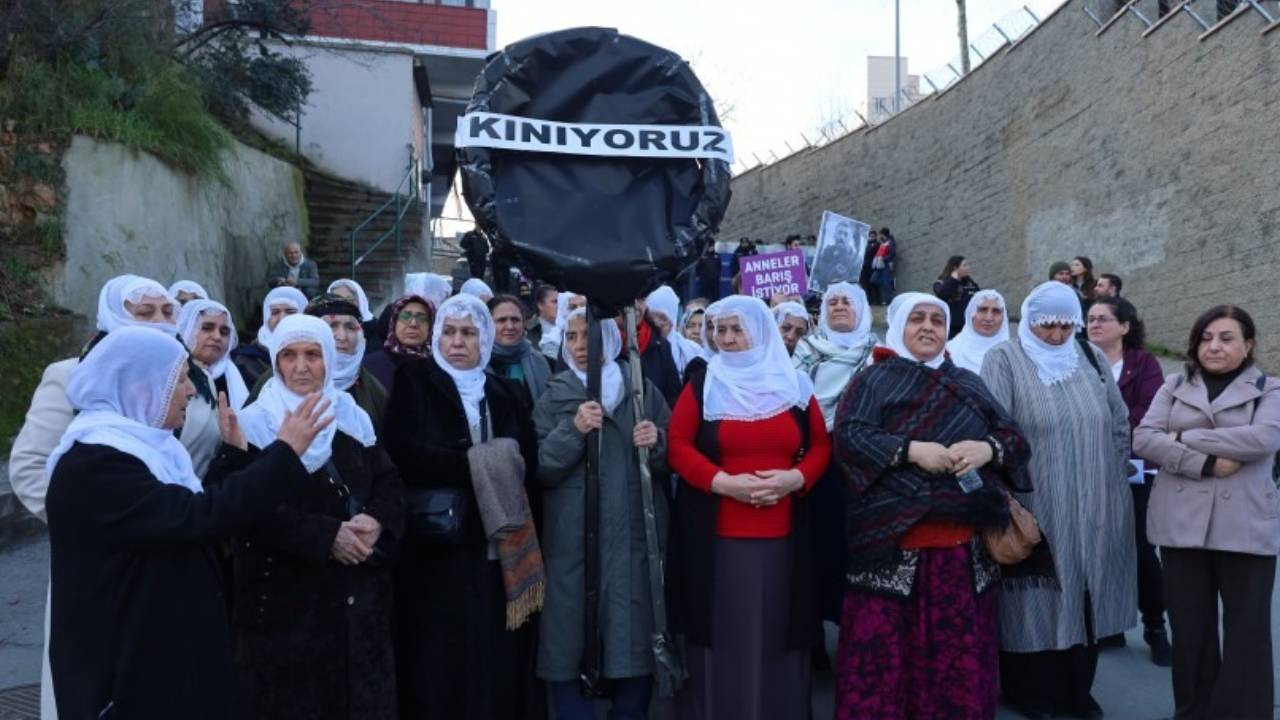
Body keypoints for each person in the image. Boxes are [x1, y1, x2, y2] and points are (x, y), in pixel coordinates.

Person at [44, 326, 330, 720]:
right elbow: (194, 519)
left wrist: (233, 457)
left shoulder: (145, 448)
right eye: (179, 380)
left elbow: (192, 510)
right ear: (141, 386)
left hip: (168, 660)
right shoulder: (95, 463)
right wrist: (284, 454)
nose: (191, 390)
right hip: (130, 678)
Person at [832, 293, 1039, 720]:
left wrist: (987, 449)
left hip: (963, 558)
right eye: (917, 319)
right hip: (893, 552)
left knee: (954, 668)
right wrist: (911, 450)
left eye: (937, 320)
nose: (927, 327)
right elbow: (850, 437)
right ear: (898, 326)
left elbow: (1016, 440)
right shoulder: (873, 381)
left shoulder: (967, 382)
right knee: (886, 669)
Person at [9, 274, 179, 719]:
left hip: (174, 551)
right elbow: (28, 467)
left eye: (167, 312)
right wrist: (96, 522)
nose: (158, 322)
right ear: (112, 317)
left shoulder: (184, 375)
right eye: (143, 312)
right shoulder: (70, 375)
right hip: (99, 564)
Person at [228, 314, 403, 720]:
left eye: (313, 355)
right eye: (289, 355)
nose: (302, 366)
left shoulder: (351, 415)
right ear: (275, 362)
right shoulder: (253, 423)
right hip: (286, 611)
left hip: (357, 606)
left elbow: (388, 480)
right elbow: (248, 510)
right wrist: (326, 537)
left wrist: (377, 520)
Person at [667, 295, 830, 719]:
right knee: (727, 635)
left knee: (779, 632)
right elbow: (678, 445)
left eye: (737, 329)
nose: (727, 339)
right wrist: (723, 483)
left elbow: (820, 446)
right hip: (719, 539)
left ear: (759, 332)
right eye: (720, 330)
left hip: (784, 537)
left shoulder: (794, 384)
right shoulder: (703, 385)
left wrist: (794, 479)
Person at [383, 294, 544, 720]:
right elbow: (402, 451)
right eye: (450, 332)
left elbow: (525, 454)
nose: (458, 342)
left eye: (469, 333)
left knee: (492, 648)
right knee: (440, 655)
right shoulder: (415, 381)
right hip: (437, 548)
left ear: (484, 339)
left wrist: (486, 460)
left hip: (496, 547)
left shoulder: (504, 391)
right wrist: (475, 462)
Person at [980, 281, 1135, 719]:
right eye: (1046, 325)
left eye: (1065, 325)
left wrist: (1111, 474)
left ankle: (1078, 690)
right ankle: (1033, 693)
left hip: (1094, 502)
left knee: (1087, 589)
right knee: (1036, 593)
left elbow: (1118, 421)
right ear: (1029, 321)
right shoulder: (1004, 359)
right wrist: (1006, 498)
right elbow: (994, 428)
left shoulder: (1089, 357)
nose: (1055, 335)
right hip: (1037, 502)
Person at [1133, 305, 1280, 719]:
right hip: (1180, 524)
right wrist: (1206, 461)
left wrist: (1183, 435)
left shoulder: (1271, 389)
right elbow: (1144, 439)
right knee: (1190, 630)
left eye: (1227, 338)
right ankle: (1193, 711)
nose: (1214, 346)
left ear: (1248, 344)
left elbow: (1265, 438)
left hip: (1246, 526)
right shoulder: (1175, 384)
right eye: (1206, 337)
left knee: (1247, 635)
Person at [532, 307, 671, 720]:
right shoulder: (555, 394)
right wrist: (572, 429)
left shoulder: (640, 390)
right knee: (567, 636)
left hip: (631, 537)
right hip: (571, 539)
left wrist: (657, 441)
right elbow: (541, 466)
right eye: (571, 337)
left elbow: (670, 459)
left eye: (588, 337)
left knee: (631, 631)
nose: (579, 346)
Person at [1086, 296, 1171, 665]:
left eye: (1103, 319)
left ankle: (1155, 627)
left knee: (1139, 549)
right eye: (1090, 318)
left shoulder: (1143, 363)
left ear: (1125, 326)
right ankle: (1110, 625)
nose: (1094, 325)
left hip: (1135, 468)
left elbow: (1150, 411)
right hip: (1089, 468)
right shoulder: (1078, 361)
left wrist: (1100, 421)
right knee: (1100, 548)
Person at [177, 299, 252, 478]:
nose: (217, 336)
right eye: (207, 328)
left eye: (224, 331)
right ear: (187, 329)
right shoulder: (174, 376)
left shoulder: (239, 373)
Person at [232, 286, 308, 389]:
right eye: (275, 312)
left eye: (290, 312)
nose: (282, 318)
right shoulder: (248, 359)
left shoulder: (317, 354)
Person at [362, 294, 433, 398]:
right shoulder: (369, 366)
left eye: (421, 317)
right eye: (405, 316)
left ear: (431, 325)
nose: (413, 324)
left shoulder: (441, 366)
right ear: (393, 323)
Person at [488, 294, 552, 406]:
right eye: (502, 320)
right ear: (488, 324)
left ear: (523, 324)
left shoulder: (541, 362)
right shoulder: (477, 363)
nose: (510, 326)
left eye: (515, 320)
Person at [624, 296, 683, 408]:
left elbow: (674, 398)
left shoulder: (660, 346)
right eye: (630, 299)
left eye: (641, 299)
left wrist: (659, 424)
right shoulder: (605, 345)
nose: (636, 306)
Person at [646, 285, 705, 380]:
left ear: (672, 319)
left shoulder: (693, 351)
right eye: (652, 317)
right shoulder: (640, 346)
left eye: (663, 318)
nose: (657, 323)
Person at [945, 290, 1010, 375]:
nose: (988, 318)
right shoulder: (949, 351)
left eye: (996, 311)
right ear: (971, 314)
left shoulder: (1012, 356)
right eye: (982, 310)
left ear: (1003, 318)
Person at [932, 256, 981, 338]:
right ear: (955, 268)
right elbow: (943, 295)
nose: (968, 268)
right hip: (951, 329)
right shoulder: (940, 283)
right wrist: (954, 280)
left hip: (970, 328)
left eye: (968, 265)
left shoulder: (970, 284)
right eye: (965, 265)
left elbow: (979, 299)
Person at [328, 279, 379, 352]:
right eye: (337, 300)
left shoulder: (373, 328)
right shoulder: (324, 324)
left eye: (349, 300)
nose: (343, 304)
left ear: (360, 302)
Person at [526, 284, 560, 356]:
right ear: (540, 305)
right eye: (554, 301)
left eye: (561, 301)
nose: (560, 305)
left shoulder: (568, 326)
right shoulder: (529, 330)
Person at [871, 228, 896, 305]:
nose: (880, 236)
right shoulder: (883, 243)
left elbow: (892, 253)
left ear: (884, 234)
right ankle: (891, 282)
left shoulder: (890, 243)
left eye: (881, 234)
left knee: (885, 283)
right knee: (873, 280)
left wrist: (884, 259)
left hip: (885, 265)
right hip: (878, 265)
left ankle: (886, 300)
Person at [859, 228, 881, 304]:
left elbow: (871, 252)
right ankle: (870, 300)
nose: (872, 237)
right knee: (866, 284)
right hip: (865, 267)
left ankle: (876, 300)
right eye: (870, 236)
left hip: (872, 266)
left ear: (875, 236)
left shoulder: (877, 244)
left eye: (873, 236)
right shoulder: (867, 244)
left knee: (873, 284)